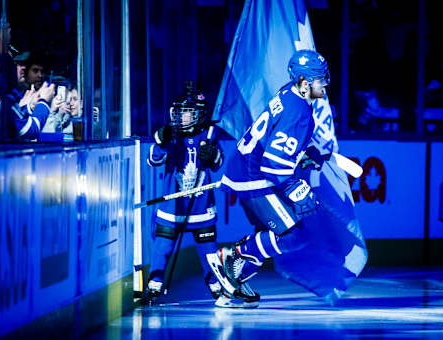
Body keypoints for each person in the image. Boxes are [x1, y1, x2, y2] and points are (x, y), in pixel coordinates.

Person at [207, 49, 367, 308]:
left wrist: (307, 152)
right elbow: (273, 164)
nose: (324, 82)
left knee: (270, 236)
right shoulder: (299, 112)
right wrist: (296, 188)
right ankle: (231, 255)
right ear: (304, 83)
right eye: (319, 78)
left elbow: (279, 141)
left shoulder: (289, 93)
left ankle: (230, 287)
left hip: (249, 170)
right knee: (294, 236)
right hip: (255, 176)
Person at [143, 81, 224, 304]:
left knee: (209, 251)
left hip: (201, 206)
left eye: (186, 112)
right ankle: (155, 282)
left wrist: (213, 154)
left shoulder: (209, 133)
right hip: (172, 206)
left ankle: (217, 286)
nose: (181, 116)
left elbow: (219, 163)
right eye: (178, 111)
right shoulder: (171, 134)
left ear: (198, 114)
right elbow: (152, 160)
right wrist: (161, 141)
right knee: (163, 246)